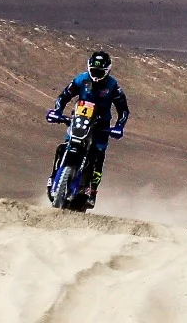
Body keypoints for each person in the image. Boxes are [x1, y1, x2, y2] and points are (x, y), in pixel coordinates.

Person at [47, 50, 130, 207]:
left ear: (107, 71)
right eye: (94, 71)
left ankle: (92, 191)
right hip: (79, 122)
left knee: (98, 156)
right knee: (62, 148)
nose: (96, 75)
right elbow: (64, 96)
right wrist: (57, 112)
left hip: (101, 127)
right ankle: (53, 178)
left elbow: (123, 110)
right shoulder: (81, 80)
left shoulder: (113, 86)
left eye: (100, 72)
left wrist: (119, 126)